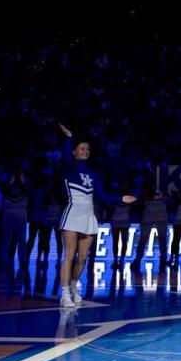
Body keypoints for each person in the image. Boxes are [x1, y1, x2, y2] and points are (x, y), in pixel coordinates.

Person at [57, 124, 137, 308]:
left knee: (83, 257)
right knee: (69, 255)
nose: (85, 151)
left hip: (88, 215)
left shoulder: (93, 174)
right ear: (74, 152)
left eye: (88, 149)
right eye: (82, 148)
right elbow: (64, 153)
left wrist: (121, 198)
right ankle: (64, 294)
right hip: (72, 213)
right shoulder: (69, 167)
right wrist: (69, 137)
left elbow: (101, 196)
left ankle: (74, 287)